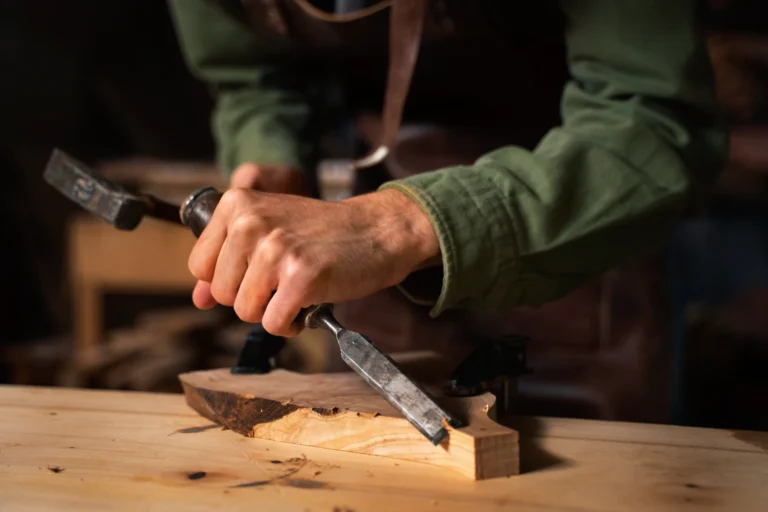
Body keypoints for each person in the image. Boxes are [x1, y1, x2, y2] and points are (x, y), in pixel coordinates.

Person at [166, 0, 728, 338]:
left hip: (588, 250)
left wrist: (394, 225)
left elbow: (656, 125)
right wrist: (271, 158)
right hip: (373, 282)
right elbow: (251, 77)